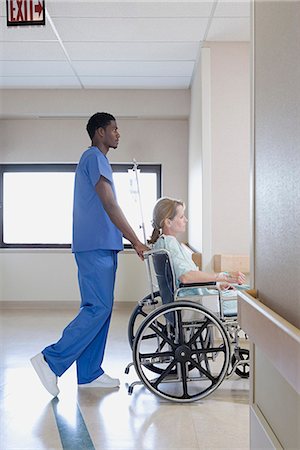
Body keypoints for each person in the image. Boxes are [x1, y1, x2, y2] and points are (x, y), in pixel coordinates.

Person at [31, 112, 148, 397]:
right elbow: (109, 204)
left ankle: (90, 372)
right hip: (95, 245)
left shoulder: (97, 160)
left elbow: (106, 208)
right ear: (99, 133)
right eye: (114, 129)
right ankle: (50, 360)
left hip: (102, 244)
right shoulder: (95, 157)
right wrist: (135, 240)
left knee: (101, 309)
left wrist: (131, 239)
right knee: (97, 308)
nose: (118, 134)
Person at [149, 197, 246, 299]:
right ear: (168, 222)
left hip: (195, 295)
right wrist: (222, 277)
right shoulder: (169, 243)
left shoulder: (162, 243)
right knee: (249, 297)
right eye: (181, 217)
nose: (186, 220)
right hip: (195, 299)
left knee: (245, 291)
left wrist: (216, 284)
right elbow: (186, 277)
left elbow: (186, 278)